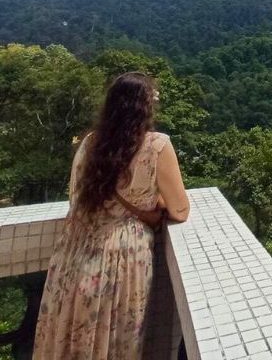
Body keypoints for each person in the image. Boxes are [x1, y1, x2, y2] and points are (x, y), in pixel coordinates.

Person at [33, 71, 190, 360]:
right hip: (122, 258)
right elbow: (180, 210)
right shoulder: (157, 146)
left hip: (74, 253)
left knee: (69, 340)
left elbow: (75, 197)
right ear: (145, 107)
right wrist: (150, 201)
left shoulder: (90, 143)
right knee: (113, 342)